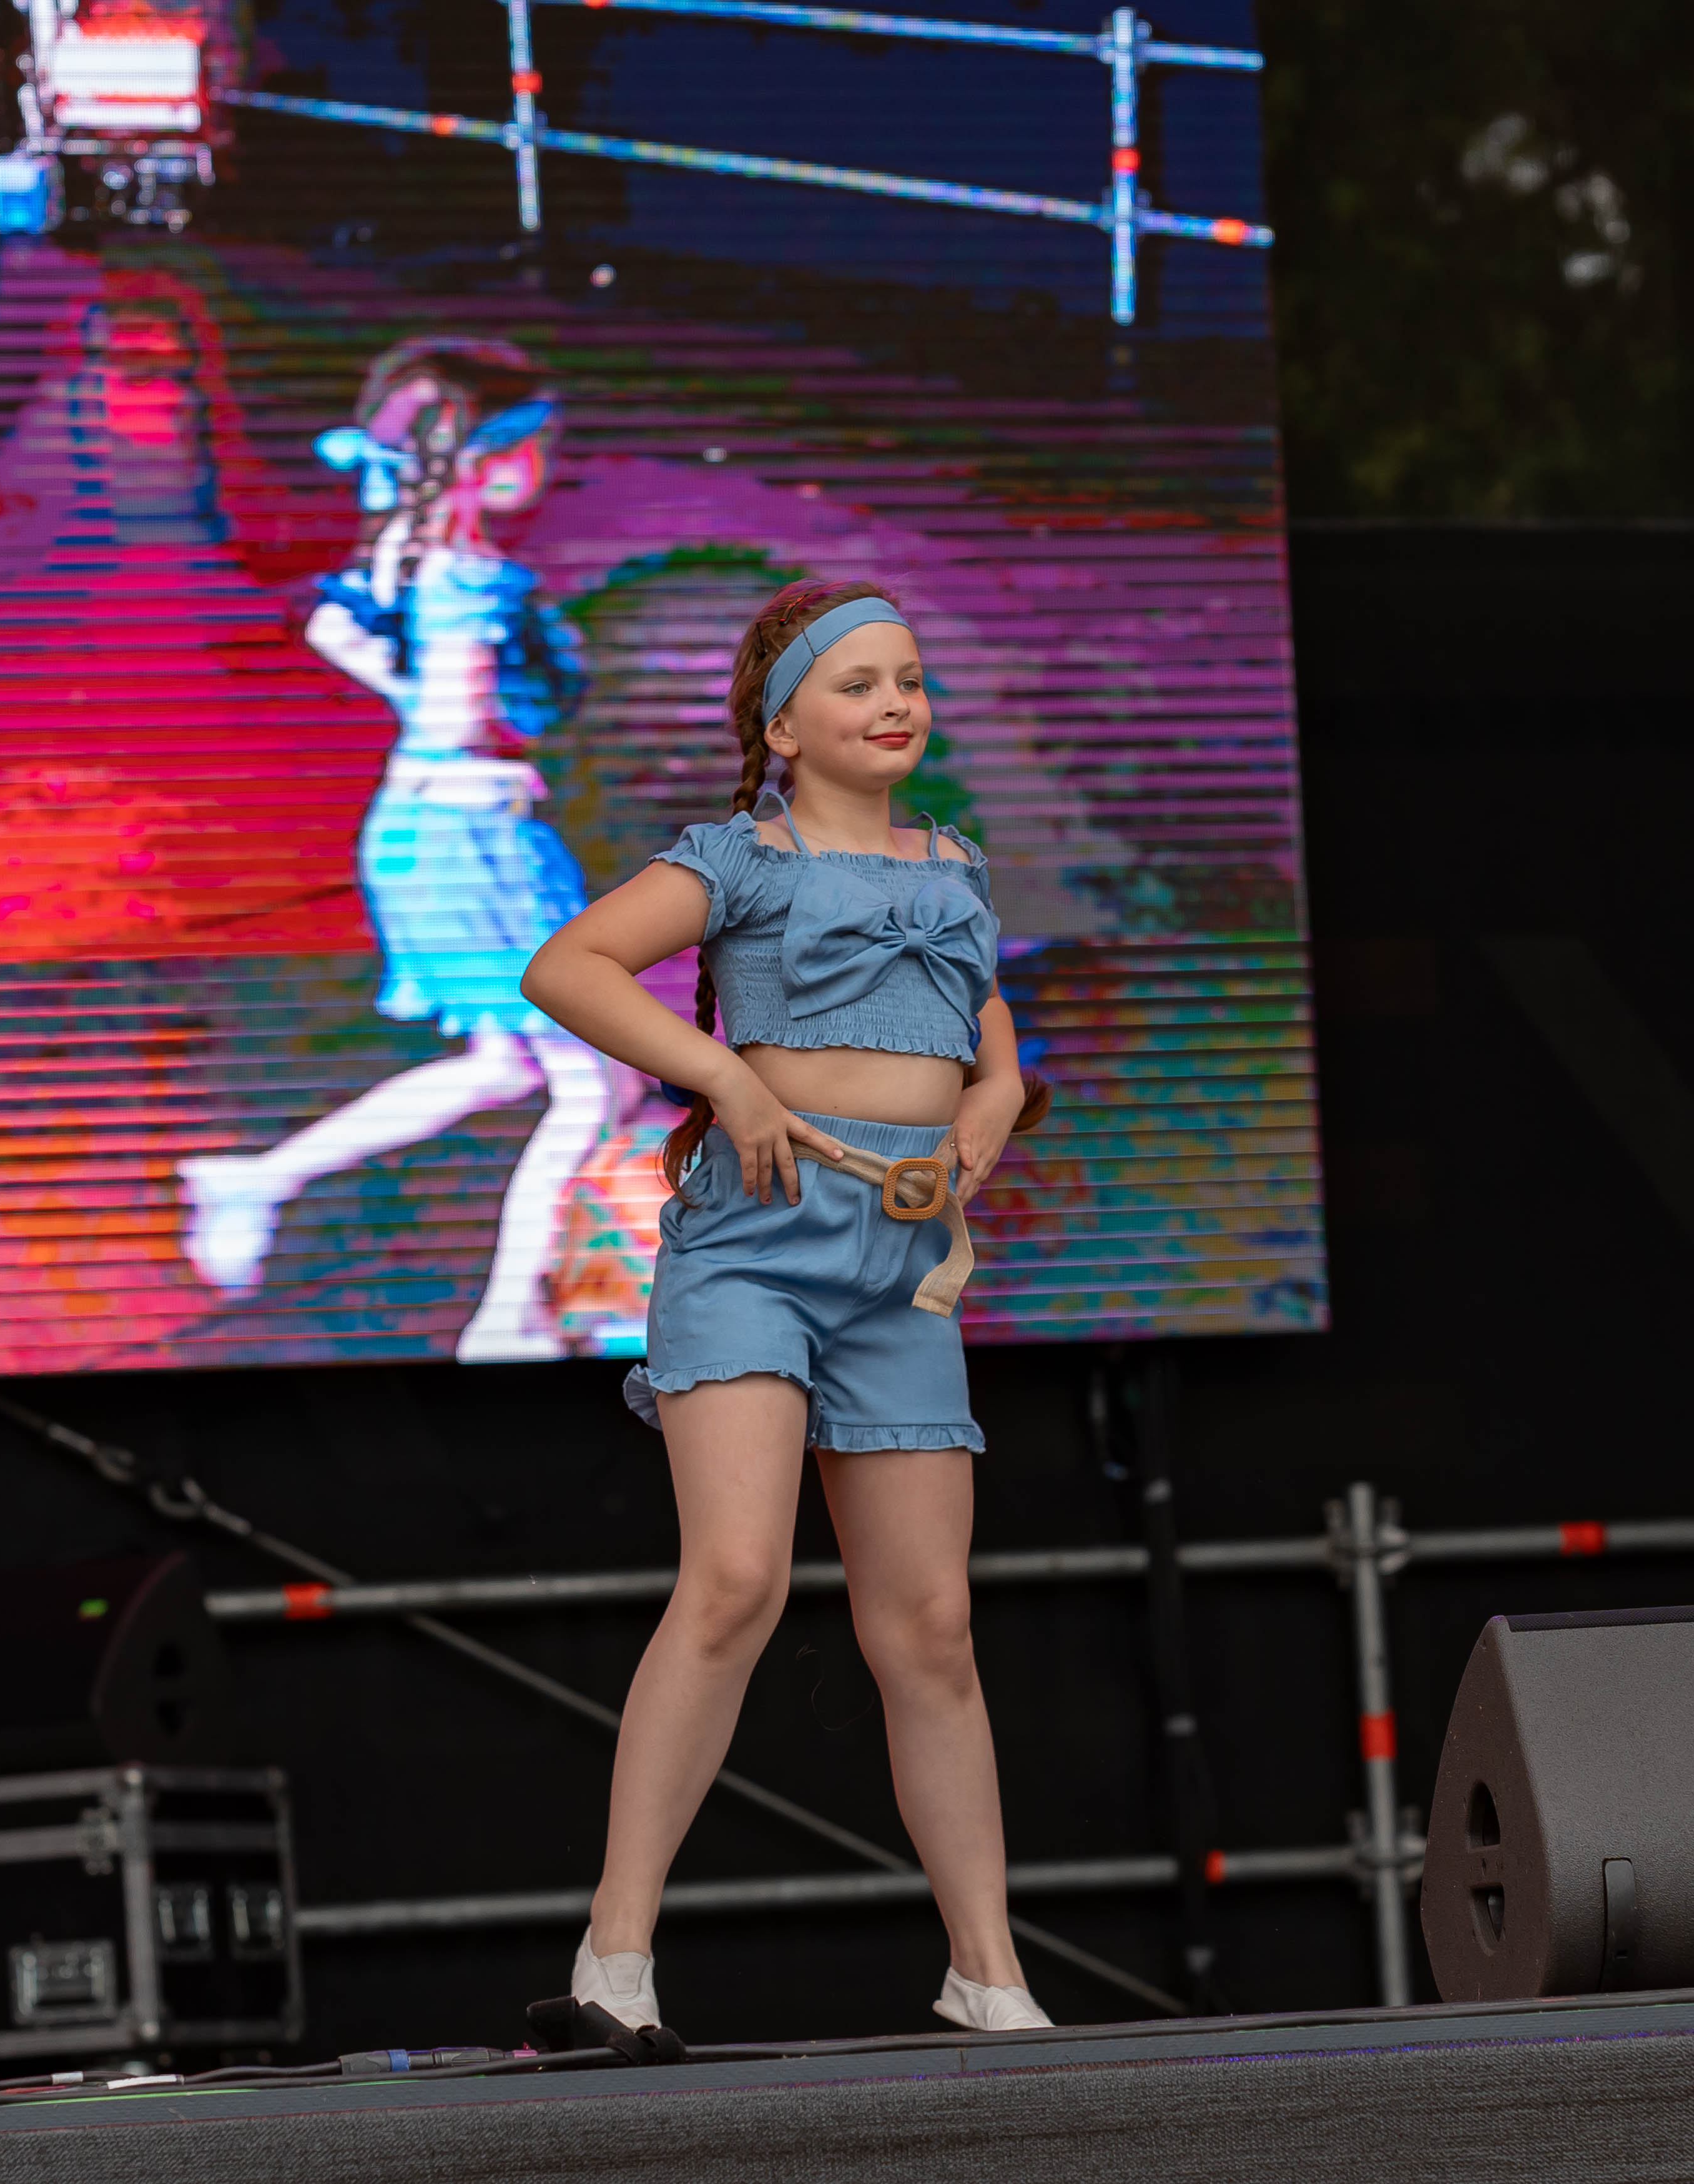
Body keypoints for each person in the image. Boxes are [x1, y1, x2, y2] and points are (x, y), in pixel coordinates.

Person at [516, 579, 1048, 2049]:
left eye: (909, 678)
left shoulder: (950, 865)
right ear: (781, 724)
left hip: (900, 1260)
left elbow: (982, 1024)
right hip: (754, 1241)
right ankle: (614, 1952)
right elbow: (564, 965)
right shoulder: (735, 857)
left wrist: (994, 1097)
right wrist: (723, 1078)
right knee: (737, 1576)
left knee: (928, 1622)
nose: (895, 702)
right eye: (857, 682)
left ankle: (986, 1970)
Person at [175, 335, 613, 1360]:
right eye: (540, 445)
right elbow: (457, 714)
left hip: (425, 830)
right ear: (490, 456)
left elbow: (333, 629)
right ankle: (508, 1320)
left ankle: (254, 1180)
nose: (549, 464)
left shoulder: (407, 549)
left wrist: (417, 699)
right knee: (596, 1083)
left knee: (506, 1065)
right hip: (475, 837)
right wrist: (469, 716)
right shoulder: (470, 572)